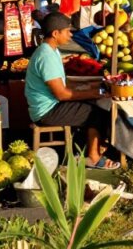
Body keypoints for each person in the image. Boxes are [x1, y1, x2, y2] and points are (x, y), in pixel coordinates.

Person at [25, 12, 118, 169]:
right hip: (47, 112)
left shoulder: (51, 50)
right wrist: (95, 93)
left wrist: (90, 88)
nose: (70, 35)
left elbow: (63, 85)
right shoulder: (46, 56)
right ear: (55, 33)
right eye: (67, 31)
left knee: (93, 102)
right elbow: (62, 94)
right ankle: (94, 157)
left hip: (51, 105)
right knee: (95, 112)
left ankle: (85, 149)